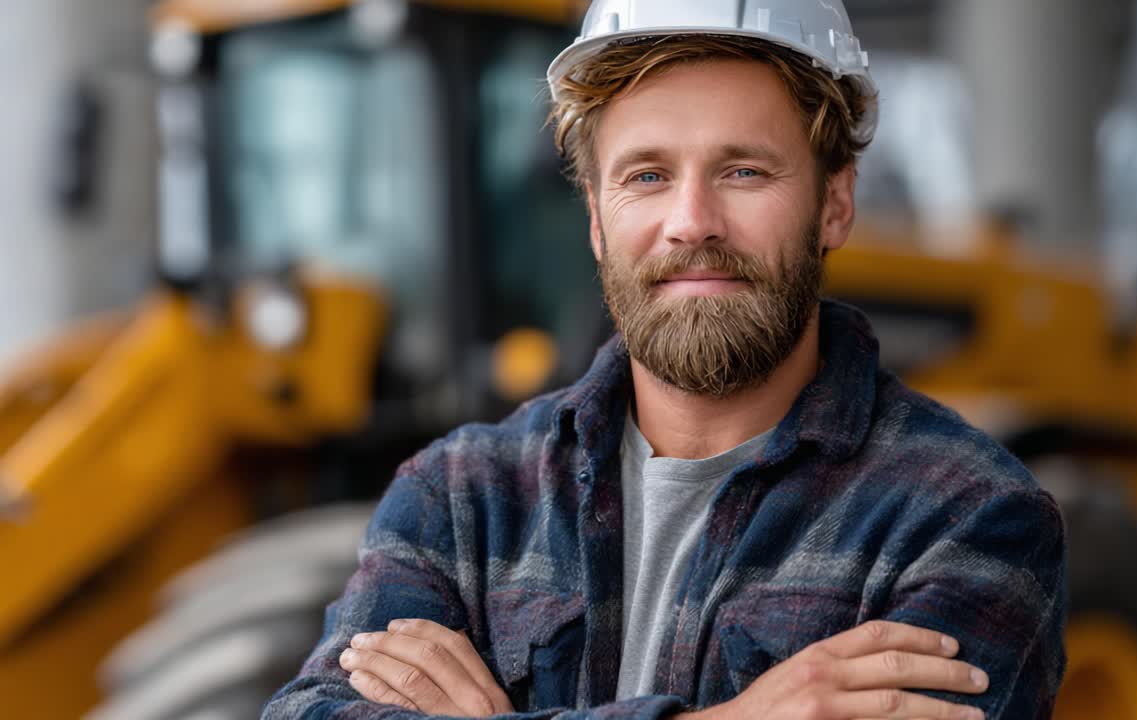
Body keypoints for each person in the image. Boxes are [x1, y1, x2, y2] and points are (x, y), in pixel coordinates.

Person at [263, 1, 1067, 718]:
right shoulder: (459, 500)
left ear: (835, 203)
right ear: (596, 221)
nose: (692, 222)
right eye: (647, 175)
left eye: (743, 171)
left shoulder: (966, 520)